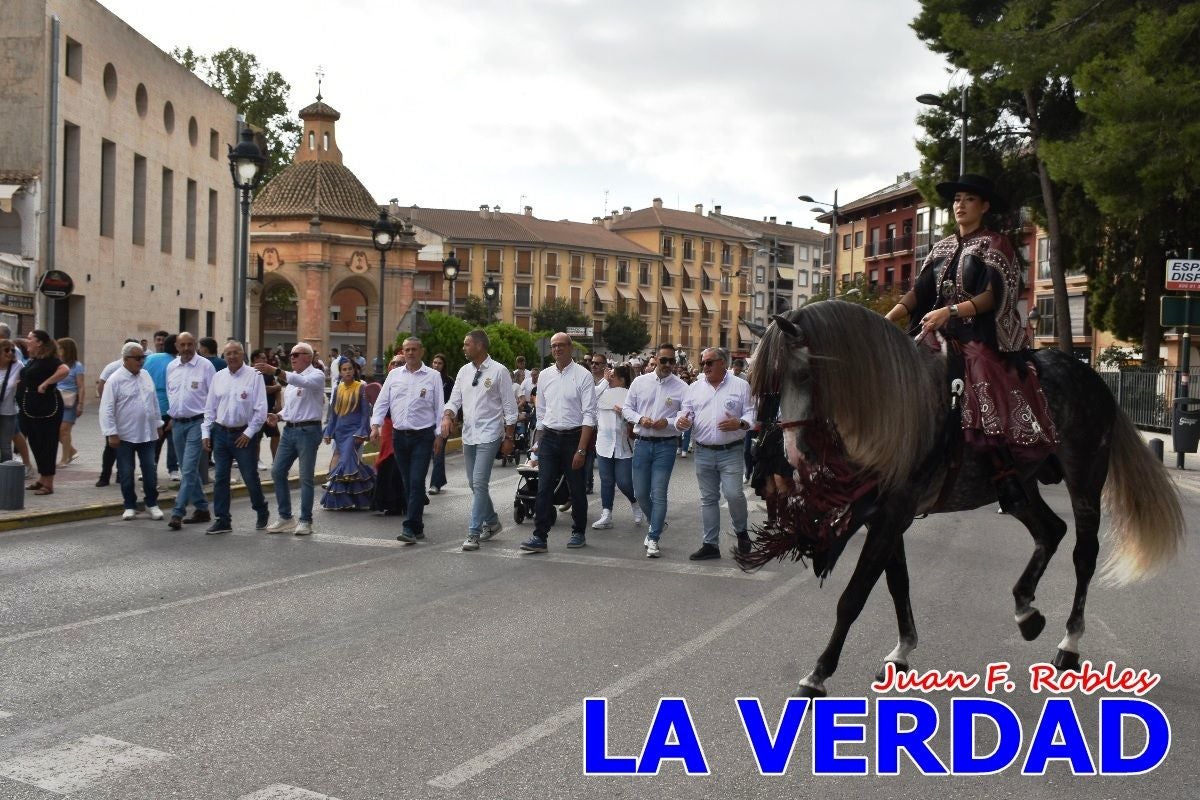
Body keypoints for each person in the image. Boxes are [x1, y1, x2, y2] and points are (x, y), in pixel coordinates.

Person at [884, 173, 1058, 513]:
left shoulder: (996, 244)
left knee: (981, 374)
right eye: (956, 200)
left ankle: (1004, 472)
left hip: (979, 334)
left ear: (985, 206)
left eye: (968, 199)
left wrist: (950, 311)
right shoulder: (941, 247)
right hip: (936, 330)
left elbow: (994, 295)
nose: (960, 205)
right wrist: (888, 318)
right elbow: (920, 292)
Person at [519, 332, 598, 553]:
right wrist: (536, 446)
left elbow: (589, 415)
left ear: (570, 348)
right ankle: (540, 537)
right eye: (553, 346)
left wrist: (582, 450)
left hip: (574, 438)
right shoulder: (544, 376)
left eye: (561, 345)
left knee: (576, 489)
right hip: (550, 439)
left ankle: (578, 532)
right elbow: (541, 414)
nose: (557, 349)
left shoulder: (583, 376)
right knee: (543, 488)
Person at [440, 329, 517, 552]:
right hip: (469, 435)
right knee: (475, 484)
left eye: (467, 344)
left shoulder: (499, 371)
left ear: (480, 346)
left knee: (480, 483)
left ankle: (473, 533)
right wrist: (447, 415)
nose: (464, 348)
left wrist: (509, 437)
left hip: (490, 434)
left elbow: (510, 408)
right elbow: (454, 400)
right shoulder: (464, 371)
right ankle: (492, 522)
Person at [675, 347, 754, 560]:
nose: (705, 367)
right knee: (708, 499)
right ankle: (710, 544)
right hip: (703, 451)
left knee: (733, 494)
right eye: (703, 363)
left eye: (709, 362)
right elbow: (685, 412)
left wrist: (741, 422)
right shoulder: (694, 388)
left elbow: (750, 412)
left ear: (722, 363)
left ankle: (742, 532)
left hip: (731, 451)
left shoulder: (741, 385)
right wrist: (681, 422)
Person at [622, 343, 688, 558]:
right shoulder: (640, 382)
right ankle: (655, 523)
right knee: (640, 493)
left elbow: (685, 418)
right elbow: (627, 409)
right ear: (655, 359)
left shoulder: (681, 387)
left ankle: (654, 537)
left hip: (665, 446)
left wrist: (667, 422)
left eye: (672, 361)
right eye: (664, 360)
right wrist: (640, 418)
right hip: (642, 443)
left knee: (658, 493)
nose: (668, 364)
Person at [370, 338, 440, 540]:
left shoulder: (432, 376)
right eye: (406, 350)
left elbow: (439, 408)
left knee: (417, 481)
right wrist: (375, 426)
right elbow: (382, 403)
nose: (410, 353)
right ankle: (417, 525)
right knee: (408, 482)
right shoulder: (394, 375)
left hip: (423, 436)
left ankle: (409, 526)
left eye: (414, 349)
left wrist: (438, 436)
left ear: (421, 351)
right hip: (399, 437)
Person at [201, 341, 270, 534]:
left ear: (243, 354)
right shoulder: (218, 377)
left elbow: (261, 410)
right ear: (224, 356)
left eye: (236, 353)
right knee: (221, 478)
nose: (232, 356)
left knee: (249, 476)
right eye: (228, 353)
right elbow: (210, 408)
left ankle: (261, 509)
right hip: (221, 433)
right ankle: (222, 519)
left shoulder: (254, 376)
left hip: (244, 435)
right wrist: (206, 432)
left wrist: (249, 433)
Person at [259, 342, 325, 535]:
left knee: (305, 477)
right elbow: (290, 408)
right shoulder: (292, 381)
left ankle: (306, 520)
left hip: (308, 431)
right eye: (291, 355)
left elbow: (302, 382)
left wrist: (276, 371)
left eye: (296, 354)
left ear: (308, 357)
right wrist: (278, 416)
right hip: (289, 431)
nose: (292, 358)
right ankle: (286, 517)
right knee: (278, 471)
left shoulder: (317, 375)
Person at [99, 342, 164, 520]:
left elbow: (154, 402)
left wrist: (158, 424)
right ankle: (129, 505)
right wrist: (111, 432)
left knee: (150, 470)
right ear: (126, 359)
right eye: (137, 358)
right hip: (125, 435)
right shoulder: (115, 380)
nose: (141, 361)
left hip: (147, 433)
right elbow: (107, 408)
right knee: (126, 472)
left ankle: (152, 503)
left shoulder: (146, 375)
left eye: (143, 357)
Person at [165, 332, 216, 529]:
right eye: (182, 345)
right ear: (177, 347)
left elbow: (213, 396)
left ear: (195, 345)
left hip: (198, 422)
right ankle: (202, 508)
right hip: (177, 423)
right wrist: (171, 417)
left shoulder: (206, 366)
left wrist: (209, 425)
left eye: (189, 344)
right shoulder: (171, 367)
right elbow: (171, 393)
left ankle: (178, 512)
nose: (186, 348)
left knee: (187, 469)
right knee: (188, 469)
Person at [18, 330, 69, 495]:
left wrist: (46, 383)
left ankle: (49, 483)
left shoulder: (50, 360)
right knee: (35, 442)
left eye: (30, 338)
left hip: (47, 408)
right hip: (30, 408)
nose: (28, 341)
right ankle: (42, 479)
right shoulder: (33, 360)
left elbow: (64, 370)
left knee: (47, 443)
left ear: (39, 342)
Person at [591, 363, 641, 530]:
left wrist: (625, 415)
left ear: (622, 380)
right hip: (604, 444)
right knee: (606, 481)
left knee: (624, 482)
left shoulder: (630, 397)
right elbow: (591, 396)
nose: (609, 379)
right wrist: (604, 382)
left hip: (624, 446)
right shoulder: (602, 392)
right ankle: (607, 514)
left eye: (612, 377)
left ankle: (635, 503)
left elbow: (637, 421)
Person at [322, 357, 375, 511]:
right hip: (340, 431)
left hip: (354, 432)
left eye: (350, 369)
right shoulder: (337, 388)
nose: (347, 372)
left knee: (346, 462)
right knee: (346, 462)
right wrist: (329, 432)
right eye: (344, 369)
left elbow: (366, 413)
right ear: (340, 372)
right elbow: (333, 414)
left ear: (354, 370)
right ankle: (357, 497)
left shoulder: (361, 387)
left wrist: (362, 431)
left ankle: (348, 497)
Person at [93, 338, 140, 486]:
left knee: (127, 448)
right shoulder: (113, 367)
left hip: (130, 418)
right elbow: (101, 385)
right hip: (115, 415)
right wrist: (105, 404)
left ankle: (121, 475)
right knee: (110, 448)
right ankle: (104, 476)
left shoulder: (140, 370)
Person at [370, 355, 408, 517]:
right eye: (393, 363)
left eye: (400, 363)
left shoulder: (410, 382)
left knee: (401, 464)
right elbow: (379, 406)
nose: (396, 365)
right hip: (387, 426)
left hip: (405, 428)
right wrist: (375, 427)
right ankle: (388, 501)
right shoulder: (386, 383)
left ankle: (402, 501)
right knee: (386, 461)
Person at [143, 334, 178, 481]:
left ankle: (150, 468)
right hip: (169, 406)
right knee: (172, 440)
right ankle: (173, 470)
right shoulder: (176, 364)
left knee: (153, 440)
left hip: (151, 404)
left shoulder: (151, 358)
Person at [427, 352, 454, 493]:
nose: (437, 365)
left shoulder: (448, 382)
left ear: (444, 366)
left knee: (438, 451)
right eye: (435, 362)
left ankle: (435, 484)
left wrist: (451, 419)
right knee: (434, 452)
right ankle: (440, 479)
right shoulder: (426, 379)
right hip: (427, 421)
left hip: (443, 421)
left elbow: (453, 402)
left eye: (440, 363)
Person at [55, 337, 84, 466]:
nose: (58, 350)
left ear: (66, 350)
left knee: (64, 430)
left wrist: (81, 404)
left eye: (60, 348)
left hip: (69, 402)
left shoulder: (77, 366)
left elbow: (81, 386)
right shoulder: (57, 364)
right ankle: (72, 451)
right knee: (56, 431)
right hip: (56, 401)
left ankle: (64, 458)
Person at [250, 348, 282, 465]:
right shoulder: (251, 373)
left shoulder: (269, 374)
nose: (265, 359)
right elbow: (261, 390)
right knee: (257, 437)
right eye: (262, 358)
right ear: (255, 359)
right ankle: (257, 460)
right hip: (256, 412)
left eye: (265, 357)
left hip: (269, 412)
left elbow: (277, 388)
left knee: (275, 435)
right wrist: (274, 388)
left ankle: (276, 461)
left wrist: (279, 403)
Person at [0, 339, 20, 463]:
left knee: (6, 446)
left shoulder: (18, 366)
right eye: (6, 350)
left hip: (8, 412)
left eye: (12, 350)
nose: (10, 353)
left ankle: (5, 477)